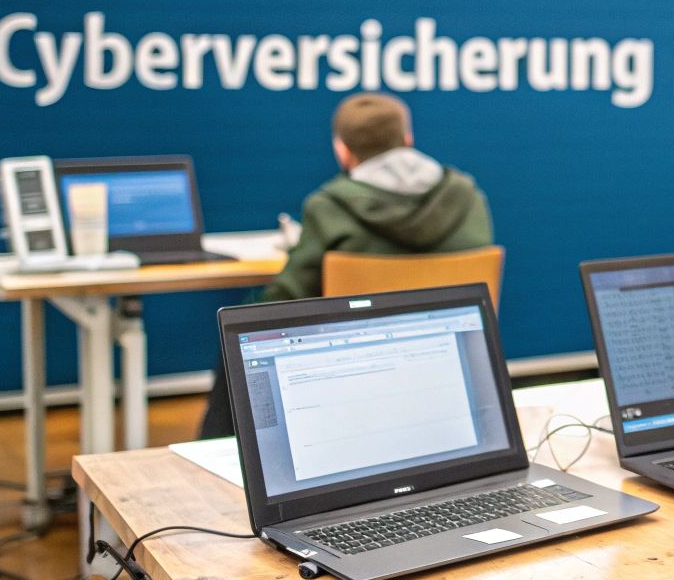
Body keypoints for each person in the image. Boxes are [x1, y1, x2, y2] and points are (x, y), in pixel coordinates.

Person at [198, 92, 493, 437]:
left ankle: (209, 452)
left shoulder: (328, 207)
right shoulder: (469, 197)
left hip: (353, 368)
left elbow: (286, 298)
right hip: (450, 362)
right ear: (408, 139)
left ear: (342, 150)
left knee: (236, 331)